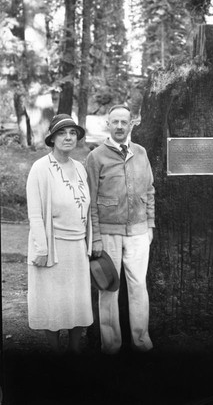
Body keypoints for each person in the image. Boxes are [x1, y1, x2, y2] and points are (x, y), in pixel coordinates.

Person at [85, 104, 155, 354]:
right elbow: (90, 200)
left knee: (138, 286)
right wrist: (95, 237)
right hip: (107, 233)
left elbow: (149, 190)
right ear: (108, 124)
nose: (119, 127)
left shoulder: (141, 152)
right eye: (114, 122)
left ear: (131, 124)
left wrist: (149, 224)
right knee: (108, 288)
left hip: (138, 232)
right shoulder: (96, 157)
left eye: (124, 122)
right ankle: (110, 346)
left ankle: (140, 341)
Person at [26, 114, 93, 353]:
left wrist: (90, 243)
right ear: (52, 138)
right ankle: (55, 354)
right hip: (53, 246)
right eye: (62, 133)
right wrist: (41, 248)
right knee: (53, 302)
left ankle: (75, 352)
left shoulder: (80, 168)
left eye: (72, 133)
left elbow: (87, 207)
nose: (68, 137)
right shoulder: (40, 169)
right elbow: (34, 213)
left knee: (77, 301)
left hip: (77, 247)